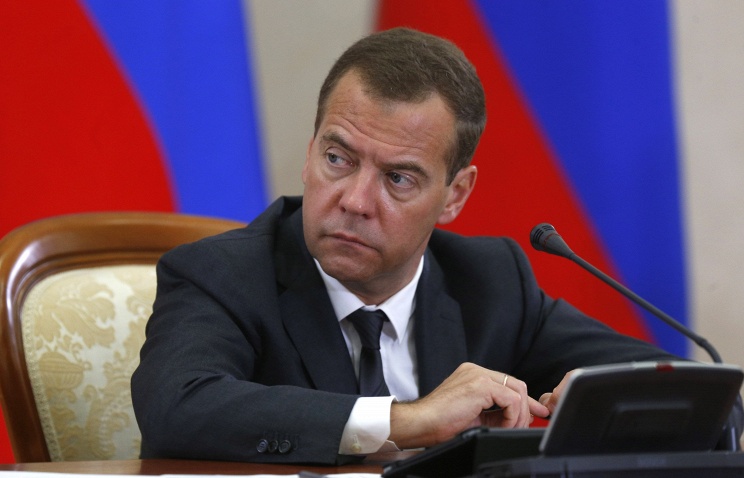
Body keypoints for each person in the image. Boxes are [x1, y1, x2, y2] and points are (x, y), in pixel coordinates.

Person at [131, 27, 737, 465]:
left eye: (398, 178)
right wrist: (411, 420)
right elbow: (176, 408)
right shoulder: (222, 274)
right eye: (338, 158)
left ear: (455, 195)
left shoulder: (490, 281)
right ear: (311, 150)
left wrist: (592, 402)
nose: (355, 200)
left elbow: (702, 395)